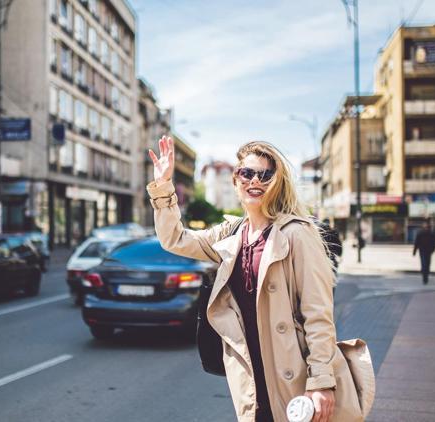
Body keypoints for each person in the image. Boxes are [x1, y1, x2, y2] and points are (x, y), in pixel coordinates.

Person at [147, 137, 359, 422]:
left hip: (292, 373)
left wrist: (321, 380)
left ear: (277, 182)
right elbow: (175, 239)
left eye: (265, 174)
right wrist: (163, 188)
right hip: (249, 377)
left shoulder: (297, 233)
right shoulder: (231, 233)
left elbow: (318, 314)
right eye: (247, 173)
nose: (254, 180)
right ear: (236, 180)